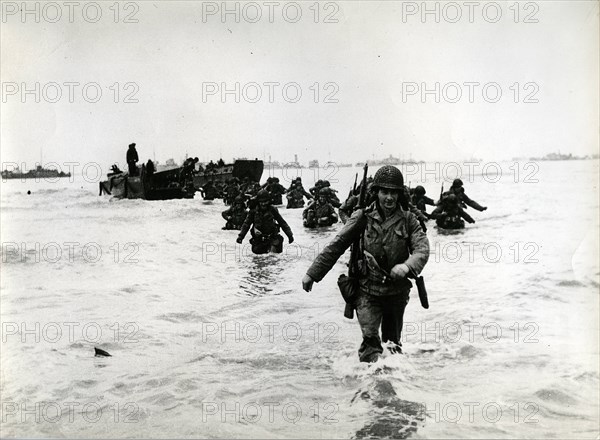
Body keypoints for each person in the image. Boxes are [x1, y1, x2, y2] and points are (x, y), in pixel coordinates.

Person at [301, 165, 429, 363]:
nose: (389, 198)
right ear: (376, 192)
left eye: (393, 193)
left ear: (399, 194)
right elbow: (337, 245)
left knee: (392, 344)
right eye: (384, 192)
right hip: (367, 291)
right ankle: (369, 385)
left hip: (396, 292)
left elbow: (422, 249)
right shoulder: (362, 217)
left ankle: (393, 385)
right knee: (370, 343)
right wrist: (312, 274)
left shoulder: (409, 220)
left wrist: (407, 266)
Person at [237, 190, 294, 254]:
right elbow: (246, 224)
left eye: (265, 201)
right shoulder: (253, 211)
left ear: (268, 201)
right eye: (261, 202)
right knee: (259, 256)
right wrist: (241, 236)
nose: (263, 204)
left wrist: (290, 235)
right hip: (259, 240)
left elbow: (282, 222)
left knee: (272, 255)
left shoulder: (272, 210)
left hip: (272, 238)